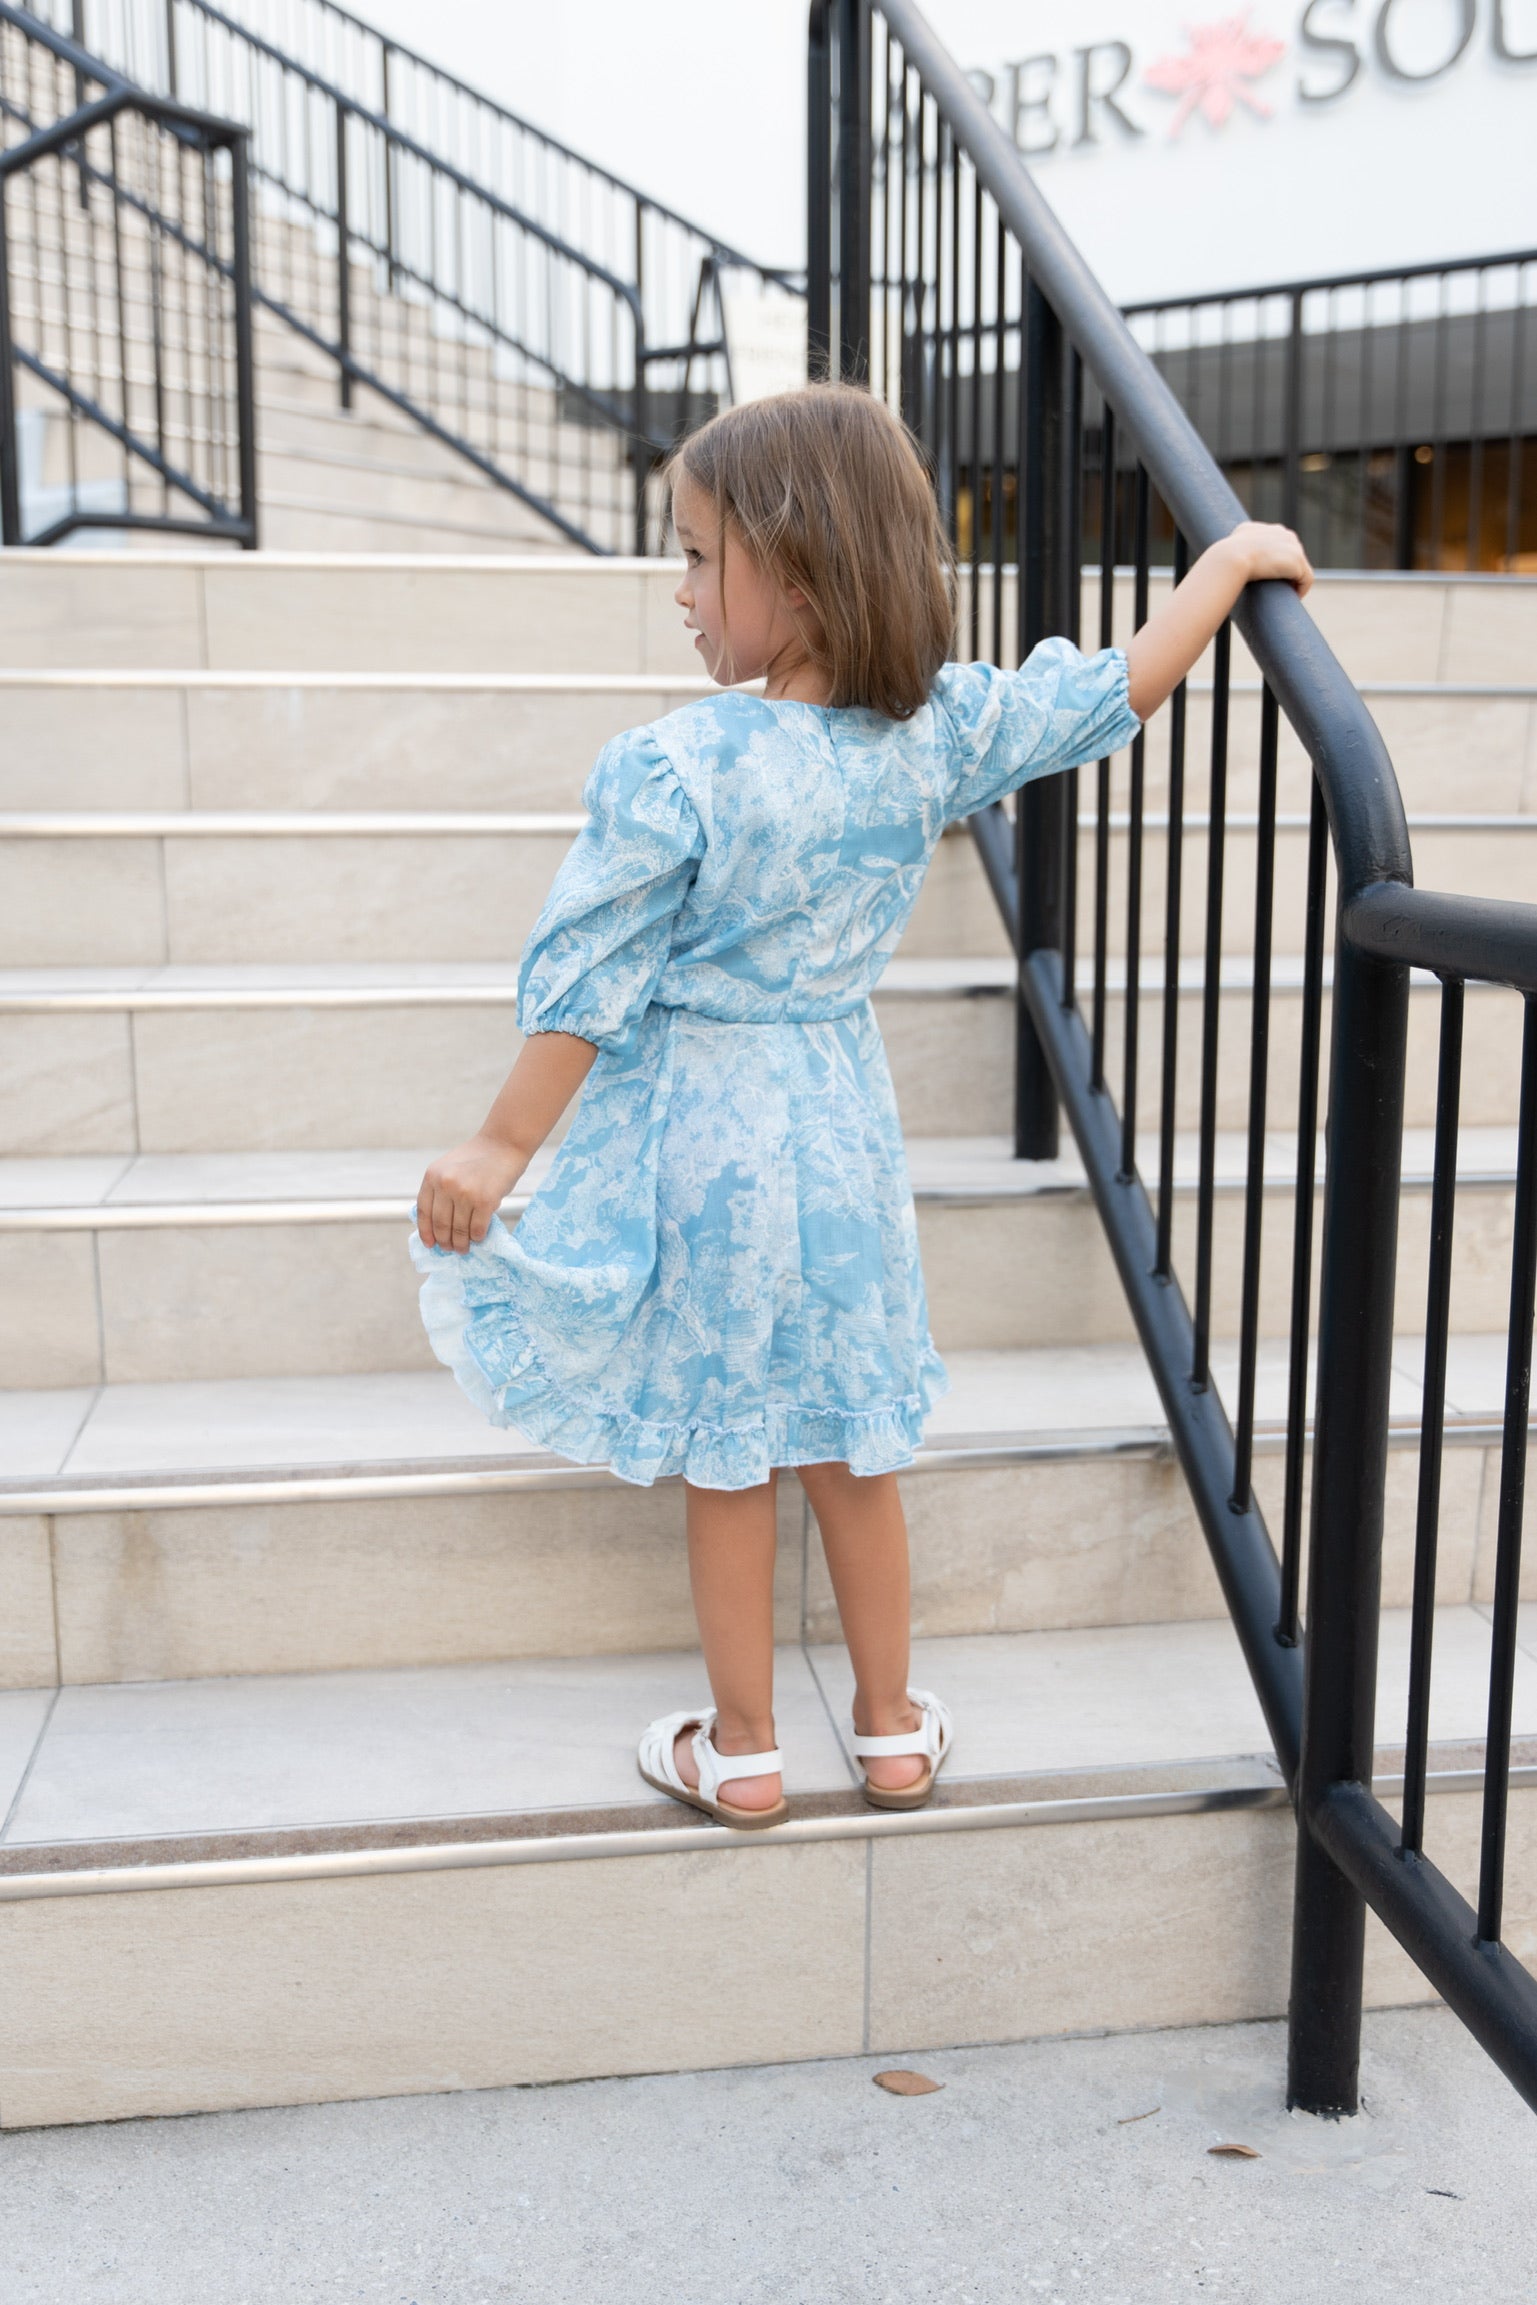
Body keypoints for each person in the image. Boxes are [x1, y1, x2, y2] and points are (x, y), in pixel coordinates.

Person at [409, 382, 1312, 1832]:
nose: (682, 589)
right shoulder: (934, 733)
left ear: (799, 562)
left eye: (702, 556)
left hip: (706, 1146)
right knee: (849, 1440)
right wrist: (1219, 569)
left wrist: (500, 1143)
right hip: (836, 1131)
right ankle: (891, 1730)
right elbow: (1106, 693)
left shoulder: (681, 764)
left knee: (730, 1447)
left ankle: (747, 1746)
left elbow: (585, 972)